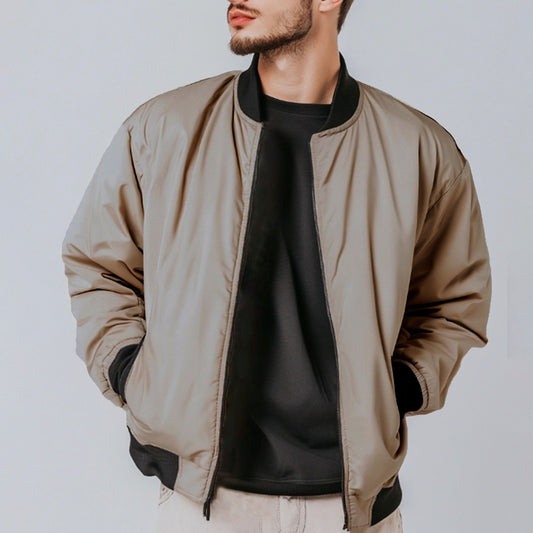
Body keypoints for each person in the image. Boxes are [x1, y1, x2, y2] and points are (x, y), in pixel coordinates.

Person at [61, 0, 492, 531]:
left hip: (352, 506)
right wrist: (130, 371)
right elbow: (99, 264)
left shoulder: (419, 150)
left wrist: (400, 387)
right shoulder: (165, 128)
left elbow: (454, 303)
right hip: (204, 502)